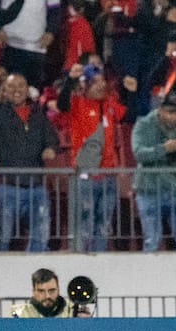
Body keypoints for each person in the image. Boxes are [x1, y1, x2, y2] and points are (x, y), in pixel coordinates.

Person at [0, 63, 60, 252]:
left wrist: (51, 149)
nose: (16, 90)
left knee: (41, 236)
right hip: (6, 187)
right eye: (11, 86)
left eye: (21, 86)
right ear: (4, 90)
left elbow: (53, 139)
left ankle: (37, 274)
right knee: (3, 237)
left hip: (36, 187)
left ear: (27, 89)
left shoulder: (38, 115)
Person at [56, 63, 137, 252]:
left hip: (108, 174)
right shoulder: (77, 103)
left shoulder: (109, 104)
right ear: (84, 85)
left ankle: (99, 259)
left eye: (102, 81)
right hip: (85, 175)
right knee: (85, 219)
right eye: (95, 82)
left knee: (104, 223)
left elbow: (129, 115)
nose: (101, 86)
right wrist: (70, 80)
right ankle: (82, 259)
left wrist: (130, 93)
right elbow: (61, 104)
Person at [131, 90, 176, 252]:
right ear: (160, 109)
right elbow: (139, 154)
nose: (175, 117)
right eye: (170, 112)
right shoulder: (143, 124)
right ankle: (149, 277)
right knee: (151, 243)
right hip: (149, 191)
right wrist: (165, 149)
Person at [10, 268, 76, 317]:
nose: (47, 296)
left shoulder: (72, 311)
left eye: (52, 290)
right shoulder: (20, 313)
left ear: (58, 290)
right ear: (33, 292)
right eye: (41, 291)